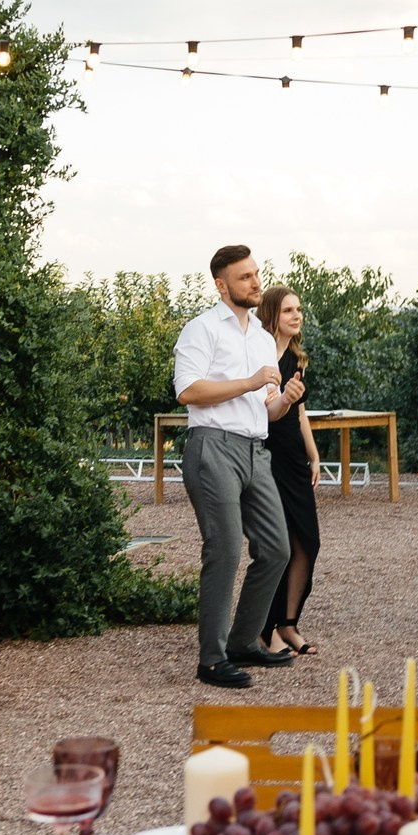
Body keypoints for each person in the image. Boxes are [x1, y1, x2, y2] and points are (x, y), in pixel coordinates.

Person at [172, 245, 297, 690]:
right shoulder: (201, 329)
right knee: (223, 550)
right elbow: (187, 391)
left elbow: (267, 409)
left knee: (278, 549)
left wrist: (285, 398)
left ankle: (244, 642)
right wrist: (250, 381)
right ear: (222, 285)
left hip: (254, 449)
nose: (255, 283)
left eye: (257, 274)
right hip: (212, 448)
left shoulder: (263, 339)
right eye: (245, 277)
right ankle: (211, 660)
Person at [257, 285, 322, 656]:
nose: (296, 316)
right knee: (278, 545)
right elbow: (271, 407)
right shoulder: (260, 358)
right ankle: (268, 630)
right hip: (266, 457)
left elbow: (298, 413)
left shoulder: (296, 358)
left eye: (298, 309)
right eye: (287, 311)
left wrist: (314, 456)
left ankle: (288, 623)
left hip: (295, 459)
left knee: (307, 543)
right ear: (272, 316)